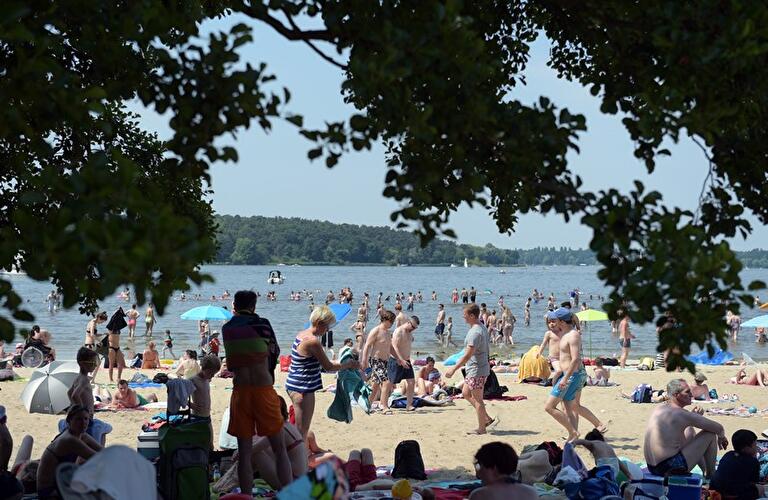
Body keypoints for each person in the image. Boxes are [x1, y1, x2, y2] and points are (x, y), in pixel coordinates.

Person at [222, 290, 291, 492]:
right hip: (263, 390)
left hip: (241, 391)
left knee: (244, 453)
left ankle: (245, 496)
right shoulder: (262, 324)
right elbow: (274, 351)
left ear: (234, 305)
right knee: (279, 449)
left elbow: (233, 362)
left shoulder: (227, 329)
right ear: (254, 305)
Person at [286, 305, 359, 437]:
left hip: (293, 384)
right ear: (319, 323)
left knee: (298, 429)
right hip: (303, 389)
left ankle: (300, 454)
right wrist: (348, 365)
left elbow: (323, 363)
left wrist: (347, 363)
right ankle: (299, 457)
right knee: (301, 432)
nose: (327, 330)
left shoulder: (302, 334)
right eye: (327, 327)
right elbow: (328, 367)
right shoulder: (312, 341)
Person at [643, 379, 728, 478]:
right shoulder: (682, 414)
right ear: (676, 395)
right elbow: (718, 428)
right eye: (687, 392)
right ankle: (711, 474)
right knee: (710, 434)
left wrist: (692, 419)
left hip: (652, 467)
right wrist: (721, 437)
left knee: (689, 430)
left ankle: (704, 469)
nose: (691, 395)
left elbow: (678, 438)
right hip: (669, 469)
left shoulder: (660, 408)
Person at [543, 307, 605, 441]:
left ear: (562, 322)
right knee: (572, 406)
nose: (553, 322)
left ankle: (573, 432)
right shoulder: (565, 333)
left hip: (572, 375)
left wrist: (564, 378)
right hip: (571, 374)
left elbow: (576, 359)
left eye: (556, 320)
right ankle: (595, 426)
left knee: (549, 407)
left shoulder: (572, 335)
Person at [445, 304, 495, 435]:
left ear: (472, 316)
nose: (463, 317)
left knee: (478, 400)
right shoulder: (480, 327)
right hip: (475, 368)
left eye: (465, 315)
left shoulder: (476, 332)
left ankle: (482, 428)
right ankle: (486, 418)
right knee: (466, 393)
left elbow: (467, 355)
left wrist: (453, 369)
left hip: (477, 370)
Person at [37, 405, 102, 499]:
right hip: (50, 492)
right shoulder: (69, 440)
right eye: (78, 419)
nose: (83, 423)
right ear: (69, 420)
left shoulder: (81, 435)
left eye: (86, 419)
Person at [469, 442, 537, 499]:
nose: (478, 474)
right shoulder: (531, 492)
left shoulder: (479, 495)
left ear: (494, 469)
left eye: (480, 467)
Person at [710, 429, 765, 499]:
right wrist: (754, 457)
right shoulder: (753, 462)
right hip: (731, 495)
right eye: (755, 445)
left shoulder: (728, 454)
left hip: (715, 490)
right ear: (747, 448)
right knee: (761, 489)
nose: (756, 447)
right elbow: (754, 482)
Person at [361, 310, 397, 414]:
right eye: (391, 321)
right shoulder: (376, 330)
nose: (392, 324)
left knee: (376, 384)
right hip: (376, 361)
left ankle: (367, 404)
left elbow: (390, 347)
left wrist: (398, 358)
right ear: (385, 320)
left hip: (385, 361)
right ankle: (384, 406)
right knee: (386, 382)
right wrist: (364, 360)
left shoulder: (387, 332)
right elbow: (367, 345)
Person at [388, 316, 419, 411]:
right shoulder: (398, 331)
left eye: (415, 328)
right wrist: (400, 360)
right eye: (413, 327)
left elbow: (407, 345)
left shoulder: (409, 333)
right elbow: (394, 346)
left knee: (411, 381)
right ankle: (383, 403)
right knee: (389, 383)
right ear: (409, 323)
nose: (413, 329)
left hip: (407, 360)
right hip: (396, 360)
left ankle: (409, 405)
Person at [190, 355, 221, 450]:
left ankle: (209, 463)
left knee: (210, 443)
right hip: (197, 417)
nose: (212, 376)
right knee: (199, 443)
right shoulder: (193, 380)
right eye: (211, 373)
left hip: (207, 416)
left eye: (213, 374)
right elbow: (181, 397)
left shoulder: (207, 379)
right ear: (203, 368)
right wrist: (191, 405)